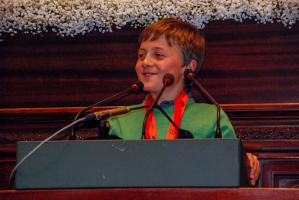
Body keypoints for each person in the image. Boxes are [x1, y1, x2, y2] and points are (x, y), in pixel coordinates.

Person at [108, 18, 260, 186]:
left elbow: (232, 171)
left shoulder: (211, 116)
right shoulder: (119, 119)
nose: (146, 62)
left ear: (188, 66)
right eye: (141, 55)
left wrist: (247, 164)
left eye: (158, 55)